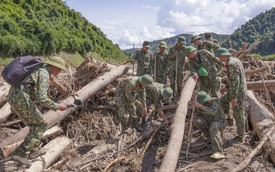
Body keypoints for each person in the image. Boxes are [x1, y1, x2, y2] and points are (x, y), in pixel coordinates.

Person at [8, 56, 68, 163]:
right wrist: (57, 106)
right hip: (22, 100)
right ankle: (19, 154)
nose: (59, 72)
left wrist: (54, 81)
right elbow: (42, 98)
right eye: (59, 69)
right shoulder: (44, 74)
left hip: (16, 97)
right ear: (53, 66)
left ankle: (34, 150)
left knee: (35, 124)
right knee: (40, 125)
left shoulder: (40, 69)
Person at [217, 48, 248, 139]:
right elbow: (232, 78)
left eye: (219, 57)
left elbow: (236, 81)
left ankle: (241, 135)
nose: (219, 59)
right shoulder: (235, 60)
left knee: (238, 113)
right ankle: (228, 119)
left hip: (238, 93)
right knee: (222, 100)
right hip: (236, 90)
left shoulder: (232, 64)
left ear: (223, 56)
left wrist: (234, 98)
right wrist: (226, 87)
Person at [189, 91, 226, 159]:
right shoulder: (199, 105)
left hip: (220, 122)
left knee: (213, 126)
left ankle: (219, 152)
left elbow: (213, 112)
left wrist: (200, 106)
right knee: (197, 121)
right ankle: (211, 137)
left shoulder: (215, 101)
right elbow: (197, 115)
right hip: (209, 122)